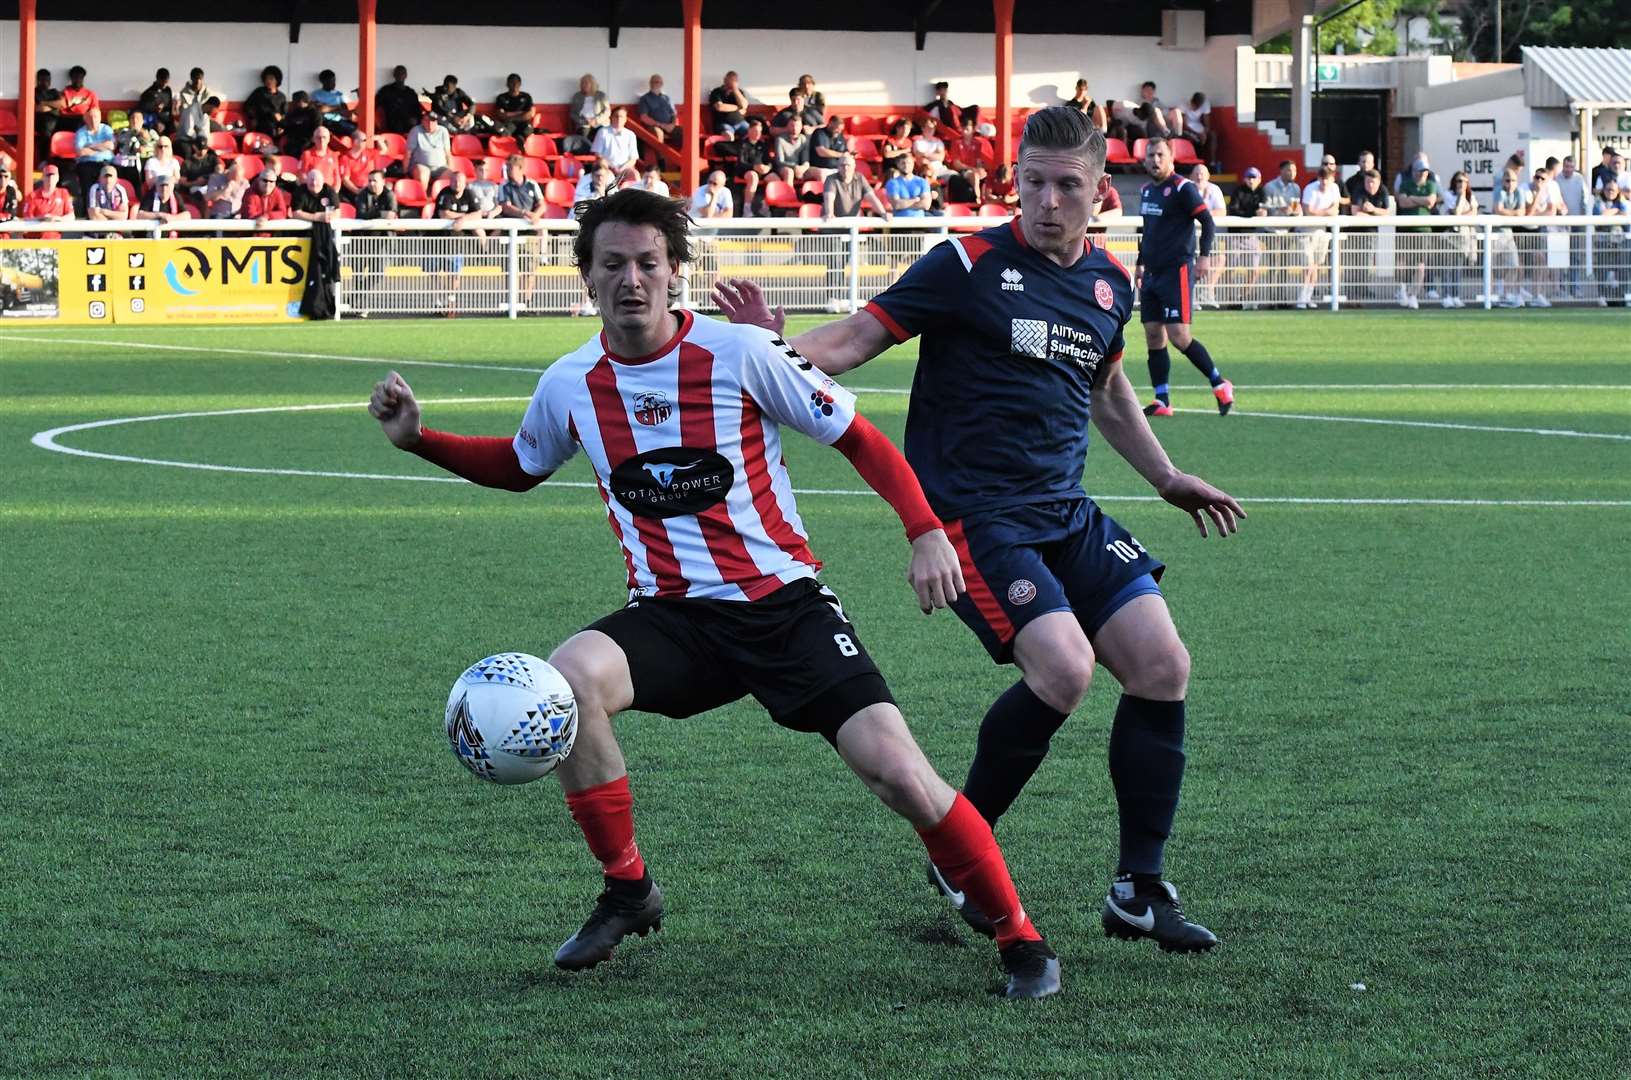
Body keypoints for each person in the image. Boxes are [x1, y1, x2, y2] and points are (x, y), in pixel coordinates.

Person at [365, 186, 1060, 998]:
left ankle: (1019, 936)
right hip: (672, 617)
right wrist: (419, 440)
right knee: (568, 680)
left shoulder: (740, 353)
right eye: (612, 265)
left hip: (785, 607)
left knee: (898, 774)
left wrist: (924, 530)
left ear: (674, 274)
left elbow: (859, 437)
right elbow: (519, 468)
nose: (632, 280)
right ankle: (627, 888)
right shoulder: (571, 383)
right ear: (585, 278)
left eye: (648, 264)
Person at [714, 106, 1240, 954]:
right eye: (1032, 181)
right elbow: (854, 338)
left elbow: (1104, 392)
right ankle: (962, 849)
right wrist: (773, 351)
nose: (1046, 200)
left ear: (1101, 192)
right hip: (975, 519)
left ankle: (1137, 889)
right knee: (1064, 670)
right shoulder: (964, 263)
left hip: (1064, 511)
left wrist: (1166, 476)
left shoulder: (1110, 281)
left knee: (1161, 665)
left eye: (1067, 185)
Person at [1135, 138, 1232, 416]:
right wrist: (1141, 263)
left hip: (1176, 270)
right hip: (1152, 273)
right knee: (1154, 335)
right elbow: (1148, 231)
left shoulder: (1182, 188)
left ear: (1171, 158)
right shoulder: (1146, 191)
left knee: (1179, 336)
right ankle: (1162, 399)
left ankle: (1219, 383)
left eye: (1160, 155)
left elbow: (1208, 222)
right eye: (1151, 155)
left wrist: (1204, 256)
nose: (1155, 160)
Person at [1296, 163, 1341, 309]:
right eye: (1322, 179)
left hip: (1321, 232)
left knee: (1315, 266)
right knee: (1308, 266)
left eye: (1327, 179)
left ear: (1331, 178)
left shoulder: (1335, 188)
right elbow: (1308, 211)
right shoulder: (1310, 189)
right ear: (1318, 178)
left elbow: (1335, 209)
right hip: (1306, 231)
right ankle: (1301, 297)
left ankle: (1308, 297)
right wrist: (1325, 212)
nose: (1324, 183)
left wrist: (1320, 212)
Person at [1228, 166, 1268, 306]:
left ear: (1259, 179)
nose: (1251, 180)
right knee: (1230, 269)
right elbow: (1233, 210)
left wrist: (1261, 213)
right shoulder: (1238, 191)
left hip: (1251, 235)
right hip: (1235, 235)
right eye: (1249, 177)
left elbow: (1264, 208)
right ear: (1244, 178)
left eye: (1254, 177)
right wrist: (1252, 213)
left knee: (1254, 269)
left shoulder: (1262, 192)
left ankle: (1244, 296)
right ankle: (1232, 298)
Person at [1188, 163, 1227, 307]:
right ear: (1191, 176)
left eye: (1202, 173)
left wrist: (1202, 215)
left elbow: (1222, 211)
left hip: (1207, 234)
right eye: (1196, 173)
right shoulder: (1188, 189)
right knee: (1189, 262)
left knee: (1220, 259)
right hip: (1190, 235)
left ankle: (1207, 292)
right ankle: (1191, 296)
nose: (1199, 176)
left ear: (1208, 176)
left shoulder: (1214, 189)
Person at [1589, 179, 1629, 304]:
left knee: (1623, 270)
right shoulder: (1597, 201)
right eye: (1608, 189)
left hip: (1619, 242)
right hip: (1603, 242)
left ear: (1618, 191)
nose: (1611, 192)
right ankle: (1602, 296)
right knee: (1602, 269)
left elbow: (1626, 215)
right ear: (1603, 190)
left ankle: (1622, 296)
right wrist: (1616, 211)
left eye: (1613, 190)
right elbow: (1601, 215)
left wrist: (1614, 212)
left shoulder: (1621, 202)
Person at [822, 153, 891, 220]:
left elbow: (872, 198)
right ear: (838, 167)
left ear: (854, 167)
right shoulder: (831, 179)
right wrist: (829, 213)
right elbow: (829, 198)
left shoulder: (860, 178)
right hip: (833, 225)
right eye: (842, 165)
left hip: (852, 225)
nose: (845, 168)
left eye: (848, 165)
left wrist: (883, 213)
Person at [592, 108, 642, 185]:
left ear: (625, 119)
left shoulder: (630, 134)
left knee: (635, 175)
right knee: (606, 178)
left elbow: (633, 158)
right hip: (607, 167)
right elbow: (597, 154)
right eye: (616, 116)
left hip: (625, 168)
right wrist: (611, 166)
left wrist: (622, 168)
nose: (618, 119)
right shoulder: (602, 132)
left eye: (621, 117)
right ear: (611, 117)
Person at [407, 111, 454, 189]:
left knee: (453, 177)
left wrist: (450, 168)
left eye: (433, 121)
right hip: (421, 165)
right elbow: (408, 152)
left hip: (440, 167)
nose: (430, 123)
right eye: (427, 120)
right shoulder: (415, 131)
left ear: (437, 121)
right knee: (422, 175)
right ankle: (422, 198)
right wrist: (406, 171)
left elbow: (448, 153)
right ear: (422, 121)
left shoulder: (443, 131)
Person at [113, 110, 157, 192]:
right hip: (127, 161)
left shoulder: (151, 132)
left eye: (138, 118)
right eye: (132, 118)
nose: (135, 120)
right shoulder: (123, 132)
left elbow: (159, 146)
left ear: (143, 121)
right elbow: (118, 145)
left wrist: (146, 143)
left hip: (146, 160)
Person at [376, 66, 425, 135]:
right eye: (398, 73)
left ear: (406, 75)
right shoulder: (386, 91)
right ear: (394, 75)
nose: (400, 76)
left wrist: (416, 119)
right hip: (393, 122)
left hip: (409, 122)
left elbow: (417, 109)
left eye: (402, 73)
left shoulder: (411, 92)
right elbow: (376, 104)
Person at [175, 69, 216, 148]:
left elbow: (209, 110)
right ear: (191, 79)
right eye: (195, 78)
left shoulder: (207, 93)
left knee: (219, 129)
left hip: (204, 121)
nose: (198, 81)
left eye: (200, 79)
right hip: (190, 122)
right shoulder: (184, 93)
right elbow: (185, 112)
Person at [570, 74, 611, 149]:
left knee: (602, 134)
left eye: (586, 83)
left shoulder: (601, 95)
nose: (583, 85)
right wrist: (583, 121)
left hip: (600, 123)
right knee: (583, 138)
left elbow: (607, 111)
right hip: (583, 123)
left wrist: (596, 120)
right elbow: (573, 114)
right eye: (582, 83)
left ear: (592, 84)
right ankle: (586, 158)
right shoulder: (577, 96)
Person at [636, 74, 678, 145]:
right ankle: (661, 156)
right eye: (655, 82)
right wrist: (661, 125)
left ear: (662, 84)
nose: (657, 84)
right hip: (654, 126)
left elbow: (673, 114)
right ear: (650, 83)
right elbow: (644, 117)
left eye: (659, 82)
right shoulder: (645, 98)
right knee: (658, 133)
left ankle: (682, 155)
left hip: (669, 126)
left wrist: (673, 124)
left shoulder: (667, 98)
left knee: (683, 132)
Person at [245, 66, 287, 138]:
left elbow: (284, 113)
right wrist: (252, 118)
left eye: (271, 78)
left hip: (277, 124)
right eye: (266, 79)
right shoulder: (259, 92)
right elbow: (247, 105)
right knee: (271, 129)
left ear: (277, 80)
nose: (268, 81)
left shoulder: (282, 96)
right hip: (262, 123)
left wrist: (282, 126)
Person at [86, 164, 130, 231]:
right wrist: (114, 217)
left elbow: (123, 216)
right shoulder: (94, 189)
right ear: (100, 178)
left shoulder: (121, 190)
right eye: (105, 177)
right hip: (98, 230)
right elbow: (94, 215)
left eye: (111, 177)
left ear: (116, 179)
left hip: (117, 231)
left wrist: (104, 212)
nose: (108, 180)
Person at [314, 69, 357, 138]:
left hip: (340, 120)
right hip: (326, 121)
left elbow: (349, 107)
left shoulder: (339, 94)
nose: (334, 83)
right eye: (331, 81)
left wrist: (329, 108)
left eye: (334, 80)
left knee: (357, 130)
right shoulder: (317, 94)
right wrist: (339, 108)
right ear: (323, 82)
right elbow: (321, 109)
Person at [492, 74, 535, 140]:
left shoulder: (526, 96)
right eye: (512, 82)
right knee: (504, 130)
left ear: (520, 84)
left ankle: (521, 141)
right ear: (507, 84)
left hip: (523, 123)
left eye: (517, 82)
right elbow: (501, 115)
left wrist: (509, 114)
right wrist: (521, 113)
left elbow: (529, 114)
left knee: (528, 129)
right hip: (509, 124)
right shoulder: (501, 97)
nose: (514, 84)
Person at [299, 126, 342, 190]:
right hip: (312, 189)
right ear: (313, 139)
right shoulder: (307, 154)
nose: (321, 140)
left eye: (324, 137)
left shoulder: (333, 155)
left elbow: (337, 177)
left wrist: (335, 192)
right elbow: (302, 175)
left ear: (328, 139)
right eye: (318, 137)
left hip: (329, 190)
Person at [709, 71, 750, 138]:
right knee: (728, 136)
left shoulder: (739, 92)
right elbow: (720, 107)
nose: (732, 83)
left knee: (752, 133)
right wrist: (738, 107)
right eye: (730, 80)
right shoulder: (717, 92)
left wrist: (735, 90)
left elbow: (744, 105)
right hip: (723, 123)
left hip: (740, 123)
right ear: (725, 80)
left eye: (735, 81)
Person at [138, 68, 175, 136]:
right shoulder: (148, 93)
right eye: (162, 82)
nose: (164, 85)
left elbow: (169, 107)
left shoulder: (168, 90)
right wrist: (156, 120)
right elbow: (143, 112)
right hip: (154, 121)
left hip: (167, 120)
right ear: (157, 79)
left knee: (175, 129)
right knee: (159, 129)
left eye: (166, 82)